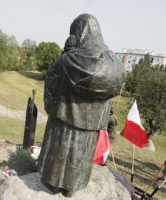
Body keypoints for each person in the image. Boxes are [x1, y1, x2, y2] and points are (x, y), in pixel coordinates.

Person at [37, 14, 125, 197]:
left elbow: (52, 76)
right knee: (81, 156)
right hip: (92, 123)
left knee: (60, 152)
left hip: (66, 115)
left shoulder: (70, 60)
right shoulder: (113, 61)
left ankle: (53, 184)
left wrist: (66, 52)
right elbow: (117, 85)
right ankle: (72, 187)